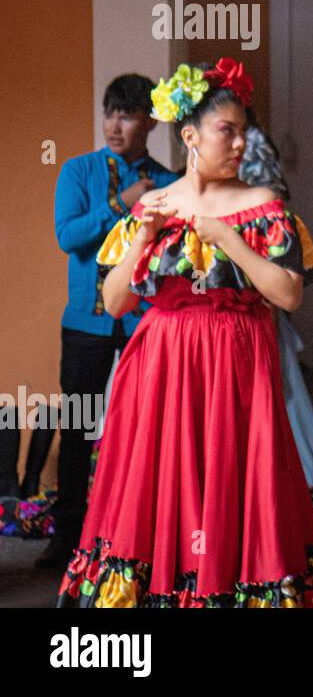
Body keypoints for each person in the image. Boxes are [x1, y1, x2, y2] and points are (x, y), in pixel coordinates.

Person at [58, 59, 313, 607]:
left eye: (243, 132)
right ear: (189, 136)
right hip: (160, 369)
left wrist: (226, 239)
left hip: (235, 368)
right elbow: (115, 301)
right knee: (160, 483)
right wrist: (142, 237)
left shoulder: (263, 207)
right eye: (226, 131)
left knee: (234, 478)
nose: (239, 144)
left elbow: (286, 295)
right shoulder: (155, 205)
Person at [41, 74, 179, 570]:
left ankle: (143, 540)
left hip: (146, 326)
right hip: (86, 324)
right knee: (77, 428)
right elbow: (68, 237)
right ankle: (66, 538)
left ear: (150, 121)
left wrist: (149, 195)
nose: (114, 125)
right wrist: (124, 201)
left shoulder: (169, 183)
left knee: (149, 431)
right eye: (109, 113)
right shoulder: (78, 172)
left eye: (126, 115)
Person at [237, 113, 313, 563]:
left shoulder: (257, 182)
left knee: (279, 419)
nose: (234, 144)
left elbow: (278, 260)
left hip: (256, 316)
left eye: (236, 131)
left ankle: (286, 537)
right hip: (216, 335)